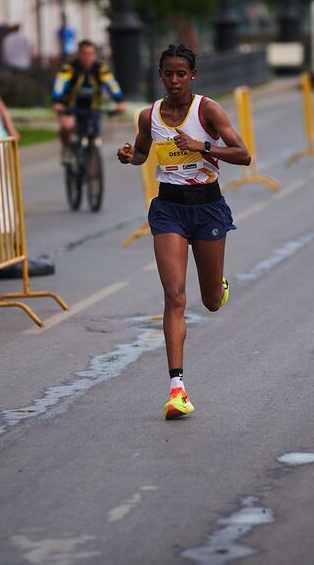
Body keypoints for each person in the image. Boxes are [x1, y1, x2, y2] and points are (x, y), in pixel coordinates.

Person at [116, 44, 251, 420]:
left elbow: (244, 155)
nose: (174, 81)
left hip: (207, 205)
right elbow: (144, 153)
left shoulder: (207, 110)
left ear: (192, 75)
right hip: (169, 209)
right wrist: (131, 157)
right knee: (174, 296)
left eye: (181, 74)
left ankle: (217, 285)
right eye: (167, 74)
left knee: (208, 301)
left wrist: (203, 145)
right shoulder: (149, 116)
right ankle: (177, 389)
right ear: (160, 75)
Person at [51, 40, 125, 164]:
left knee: (95, 135)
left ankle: (92, 168)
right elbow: (60, 83)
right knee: (67, 126)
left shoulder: (100, 68)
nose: (87, 57)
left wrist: (119, 101)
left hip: (93, 108)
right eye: (84, 53)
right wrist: (57, 101)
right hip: (72, 108)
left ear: (95, 55)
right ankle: (66, 148)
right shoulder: (70, 68)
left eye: (90, 54)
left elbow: (111, 83)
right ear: (79, 54)